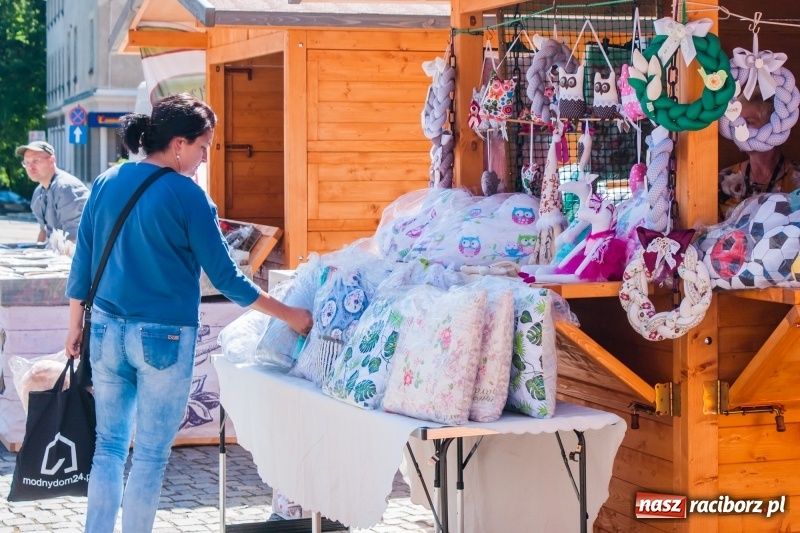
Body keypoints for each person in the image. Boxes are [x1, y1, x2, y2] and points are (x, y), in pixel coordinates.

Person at [64, 93, 313, 533]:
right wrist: (288, 314)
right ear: (178, 144)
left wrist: (74, 327)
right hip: (164, 337)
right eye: (203, 147)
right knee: (151, 455)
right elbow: (228, 279)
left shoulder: (105, 181)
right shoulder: (188, 195)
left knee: (108, 447)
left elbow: (81, 262)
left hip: (103, 331)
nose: (203, 158)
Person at [718, 92, 800, 221]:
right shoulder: (723, 179)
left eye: (749, 123)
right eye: (738, 123)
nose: (740, 131)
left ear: (772, 128)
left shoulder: (797, 179)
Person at [15, 140, 89, 242]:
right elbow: (44, 232)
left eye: (36, 161)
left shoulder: (66, 188)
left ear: (51, 160)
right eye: (27, 162)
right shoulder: (38, 193)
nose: (30, 167)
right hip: (56, 255)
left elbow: (76, 238)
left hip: (78, 255)